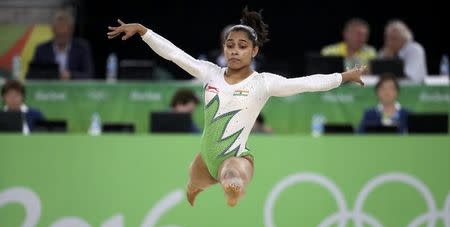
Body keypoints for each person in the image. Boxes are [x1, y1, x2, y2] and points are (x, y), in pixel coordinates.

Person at [107, 7, 366, 207]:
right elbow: (175, 54)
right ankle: (198, 188)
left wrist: (343, 77)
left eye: (242, 47)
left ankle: (233, 188)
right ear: (224, 48)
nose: (234, 51)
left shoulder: (263, 83)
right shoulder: (211, 73)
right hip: (204, 157)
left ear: (254, 51)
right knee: (194, 183)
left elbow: (307, 83)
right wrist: (143, 31)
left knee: (231, 172)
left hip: (237, 155)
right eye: (230, 46)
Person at [29, 7, 94, 80]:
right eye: (58, 35)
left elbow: (89, 75)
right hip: (49, 90)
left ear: (71, 30)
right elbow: (31, 76)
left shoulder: (82, 48)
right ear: (53, 30)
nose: (61, 36)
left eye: (64, 35)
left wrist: (71, 76)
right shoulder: (41, 50)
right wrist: (52, 76)